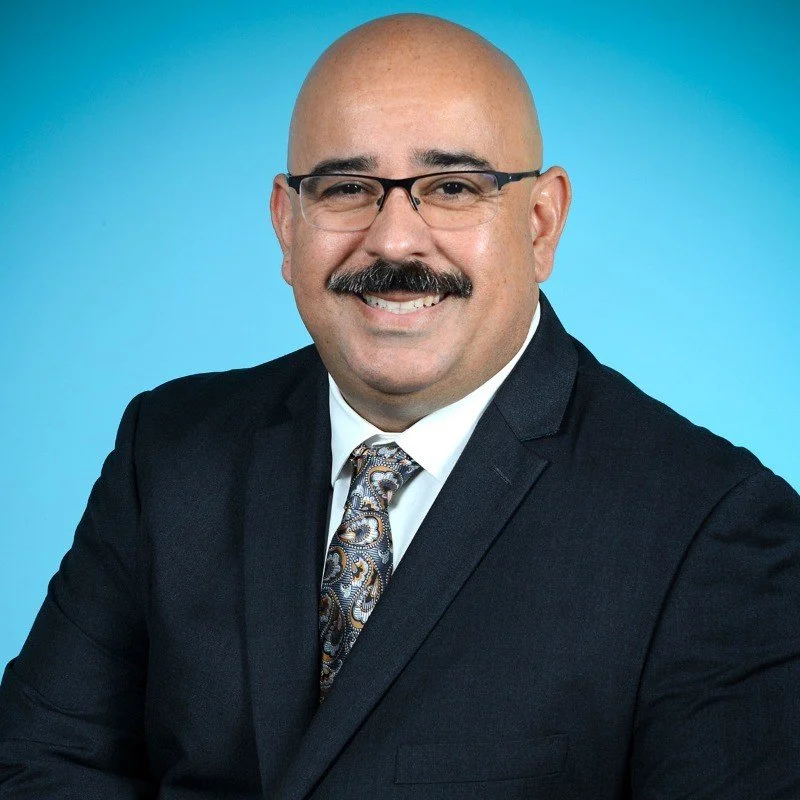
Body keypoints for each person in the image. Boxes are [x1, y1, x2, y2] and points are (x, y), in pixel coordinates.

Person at [1, 12, 798, 800]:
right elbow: (39, 765)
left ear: (540, 223)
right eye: (346, 188)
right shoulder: (169, 451)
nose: (393, 242)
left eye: (452, 187)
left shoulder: (711, 527)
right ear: (287, 224)